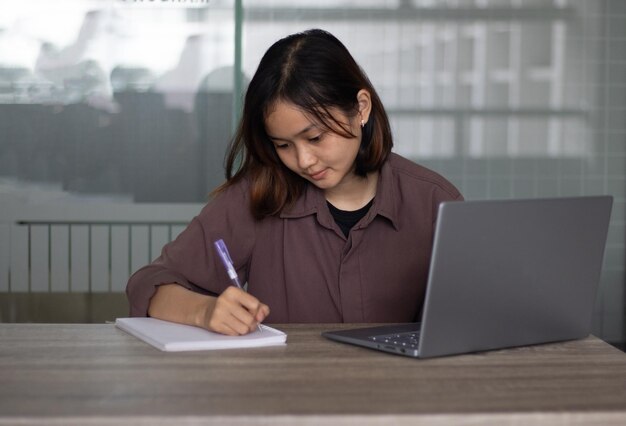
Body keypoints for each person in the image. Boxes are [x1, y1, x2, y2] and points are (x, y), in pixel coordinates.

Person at [126, 29, 463, 336]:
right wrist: (206, 311)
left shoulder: (434, 202)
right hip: (283, 396)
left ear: (360, 108)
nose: (303, 161)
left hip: (402, 398)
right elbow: (150, 284)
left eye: (315, 137)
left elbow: (472, 320)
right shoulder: (257, 197)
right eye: (283, 145)